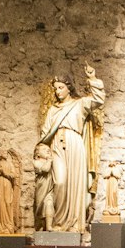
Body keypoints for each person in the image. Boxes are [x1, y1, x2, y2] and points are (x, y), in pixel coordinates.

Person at [38, 67, 103, 230]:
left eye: (61, 87)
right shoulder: (53, 110)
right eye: (56, 89)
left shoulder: (79, 104)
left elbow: (98, 99)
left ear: (69, 88)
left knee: (75, 184)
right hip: (56, 146)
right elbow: (45, 133)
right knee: (59, 182)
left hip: (75, 145)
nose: (58, 91)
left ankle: (74, 224)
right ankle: (58, 223)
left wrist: (92, 78)